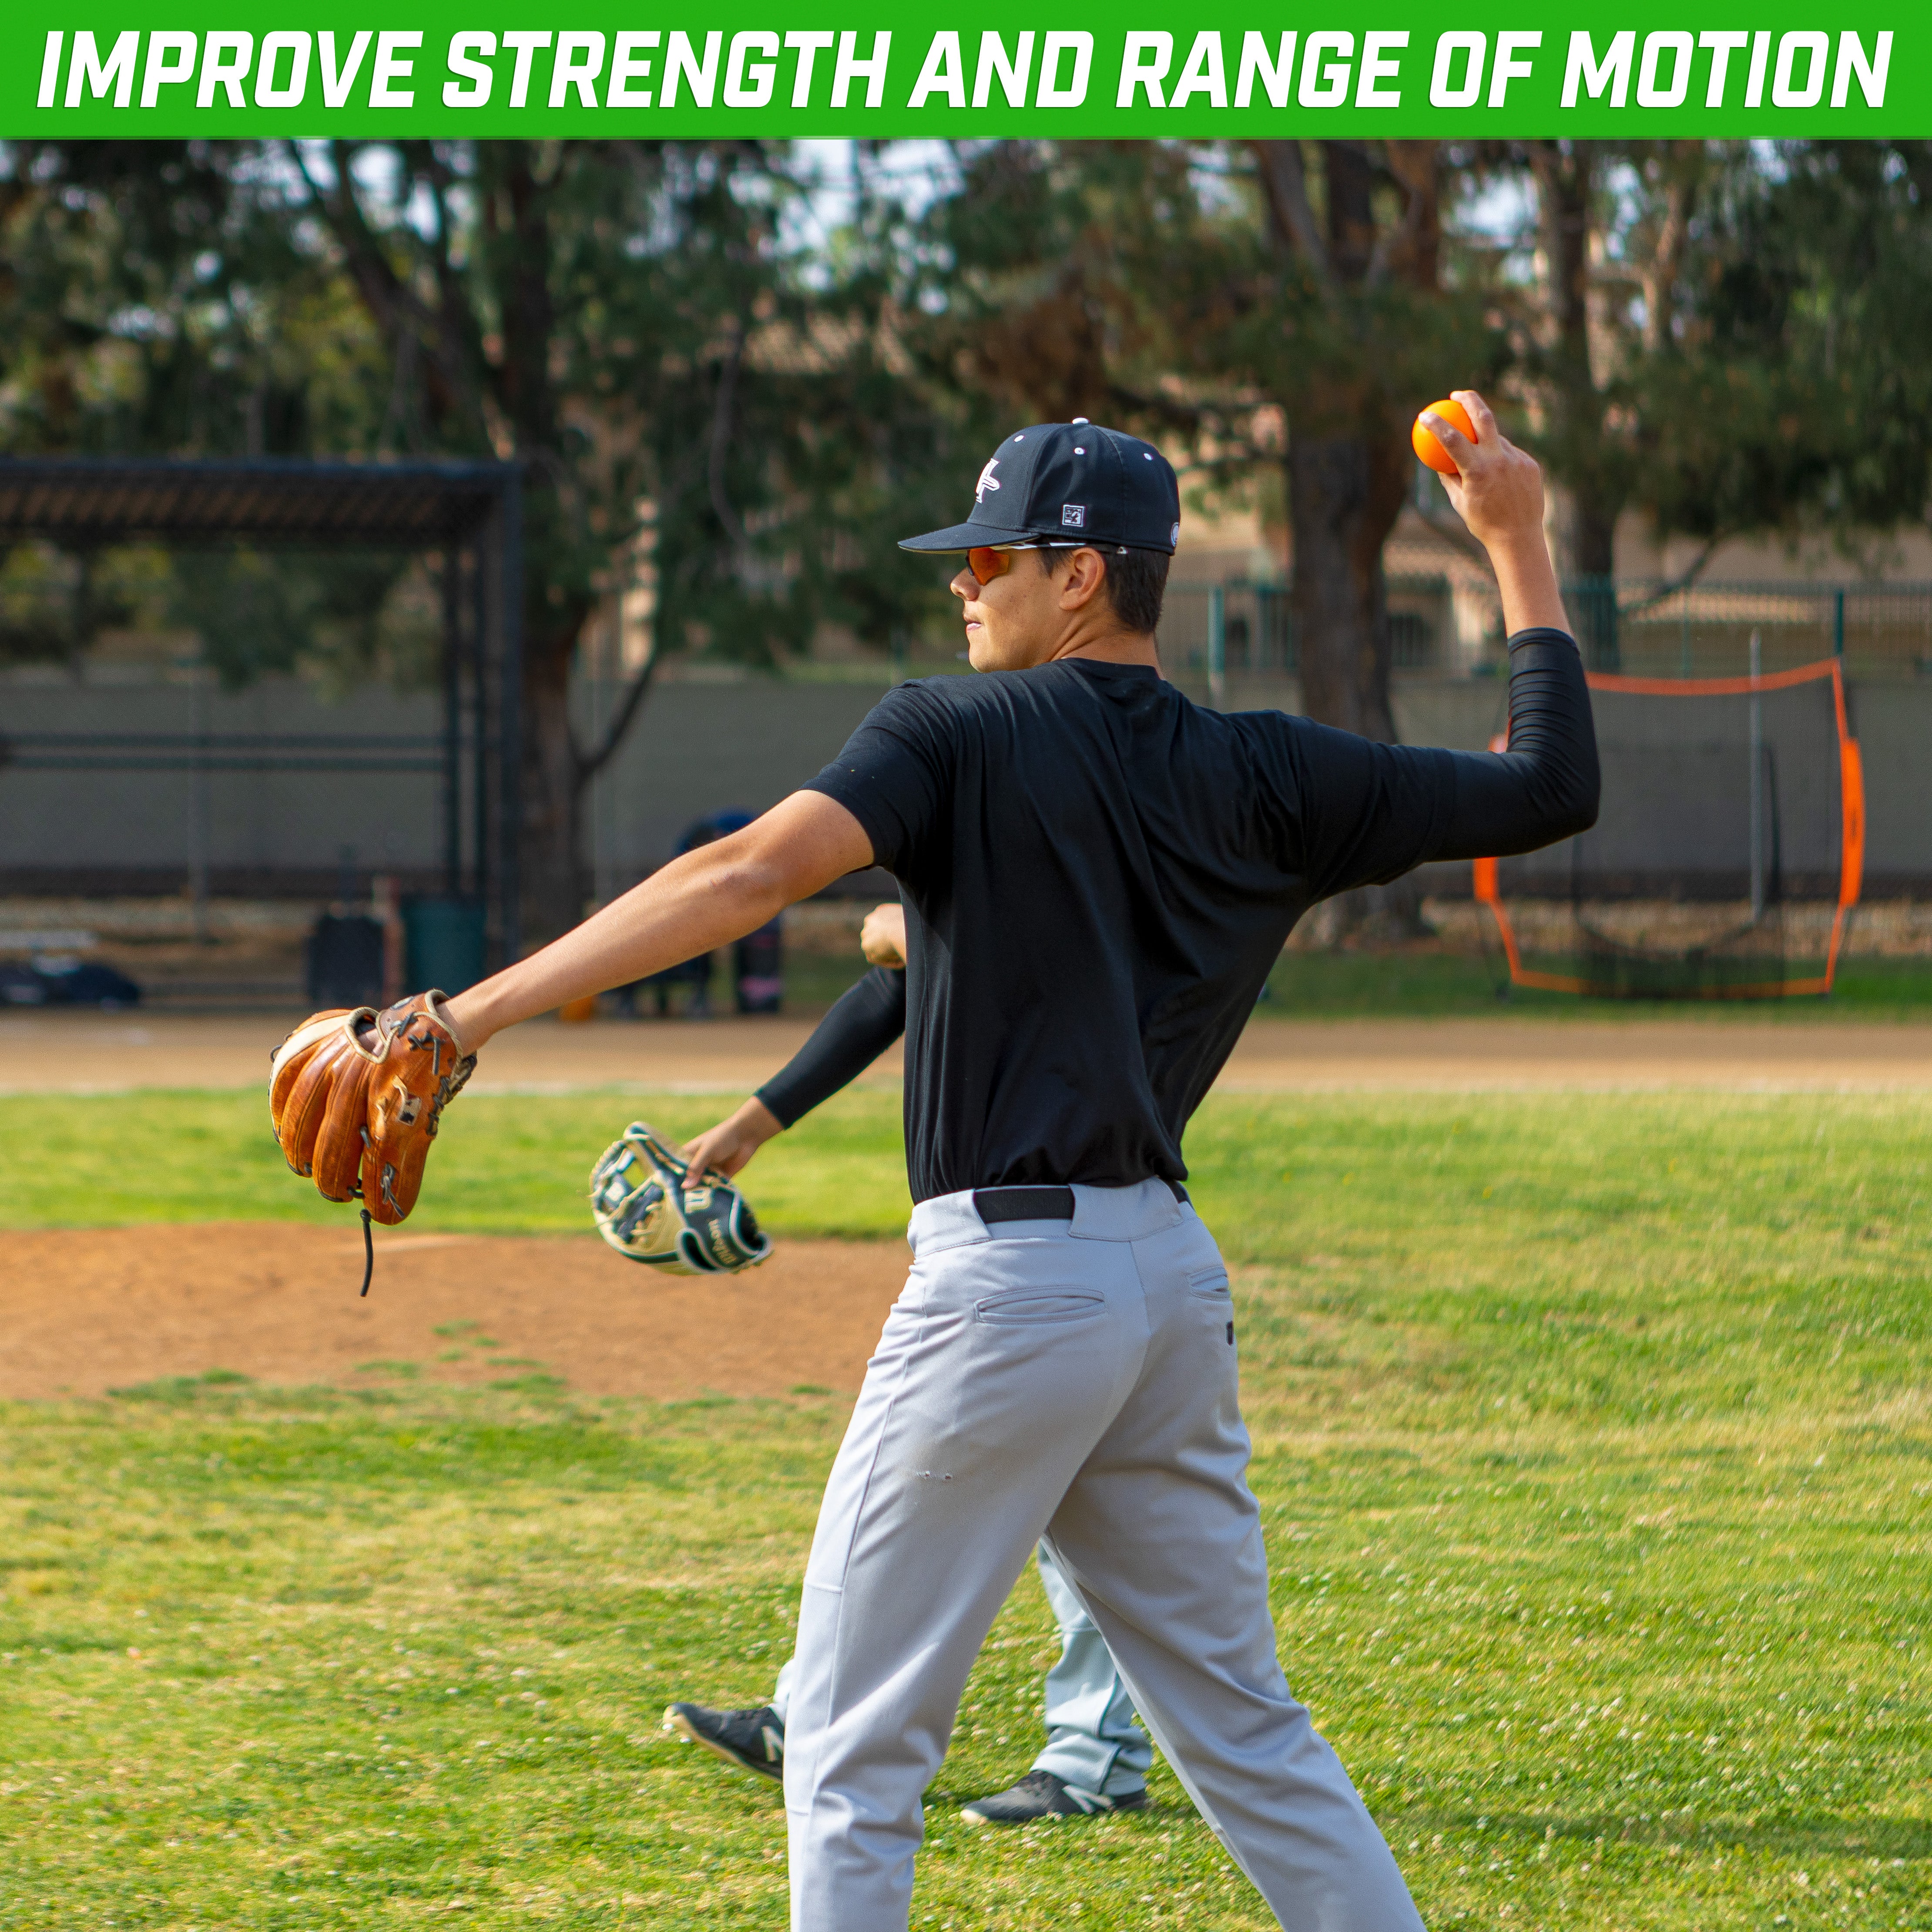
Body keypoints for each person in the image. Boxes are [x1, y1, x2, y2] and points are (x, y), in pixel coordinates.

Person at [439, 396, 1596, 1932]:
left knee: (850, 1751)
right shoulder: (1270, 772)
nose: (961, 583)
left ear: (1082, 575)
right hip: (1167, 1291)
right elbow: (1548, 787)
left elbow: (746, 874)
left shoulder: (950, 730)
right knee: (1247, 1731)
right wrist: (1517, 543)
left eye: (989, 555)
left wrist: (466, 1016)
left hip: (1009, 1292)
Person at [665, 902, 1153, 1823]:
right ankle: (821, 1716)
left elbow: (963, 941)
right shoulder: (1014, 801)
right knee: (933, 1482)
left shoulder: (1109, 818)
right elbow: (900, 979)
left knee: (1056, 1494)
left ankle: (1094, 1758)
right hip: (1016, 1227)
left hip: (1088, 1215)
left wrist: (912, 919)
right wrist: (758, 1120)